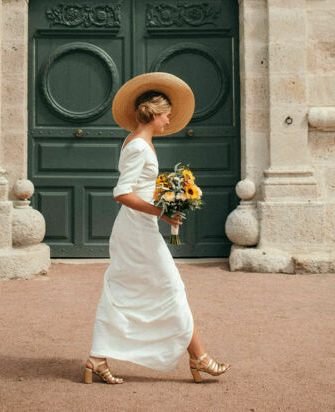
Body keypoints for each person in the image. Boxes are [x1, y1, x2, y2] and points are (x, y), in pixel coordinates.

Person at [84, 71, 230, 385]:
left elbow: (139, 188)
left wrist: (164, 214)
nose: (168, 122)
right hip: (137, 233)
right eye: (166, 116)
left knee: (128, 291)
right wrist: (160, 209)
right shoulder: (138, 146)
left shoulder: (139, 141)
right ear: (153, 114)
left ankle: (97, 358)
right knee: (170, 288)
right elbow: (122, 192)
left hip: (139, 229)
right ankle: (200, 357)